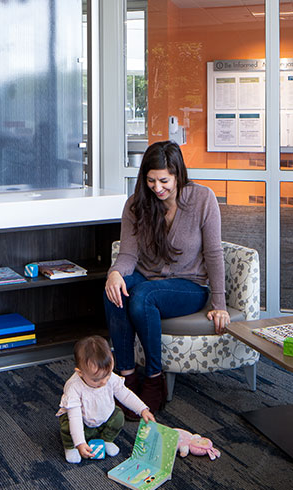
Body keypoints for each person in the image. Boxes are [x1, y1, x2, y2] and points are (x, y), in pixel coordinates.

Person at [104, 140, 229, 415]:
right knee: (113, 290)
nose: (157, 188)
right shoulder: (136, 205)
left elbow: (214, 253)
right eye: (151, 180)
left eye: (164, 181)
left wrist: (219, 304)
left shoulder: (202, 199)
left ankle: (153, 377)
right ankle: (126, 376)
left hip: (189, 286)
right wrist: (114, 274)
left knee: (141, 296)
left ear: (178, 175)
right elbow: (128, 255)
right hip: (148, 280)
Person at [56, 335, 155, 464]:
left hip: (103, 416)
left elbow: (125, 394)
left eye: (107, 375)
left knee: (118, 415)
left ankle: (106, 439)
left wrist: (142, 409)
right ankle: (71, 446)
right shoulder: (74, 387)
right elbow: (75, 417)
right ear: (80, 372)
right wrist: (79, 442)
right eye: (96, 379)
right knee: (67, 425)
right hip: (82, 420)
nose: (103, 382)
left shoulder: (109, 377)